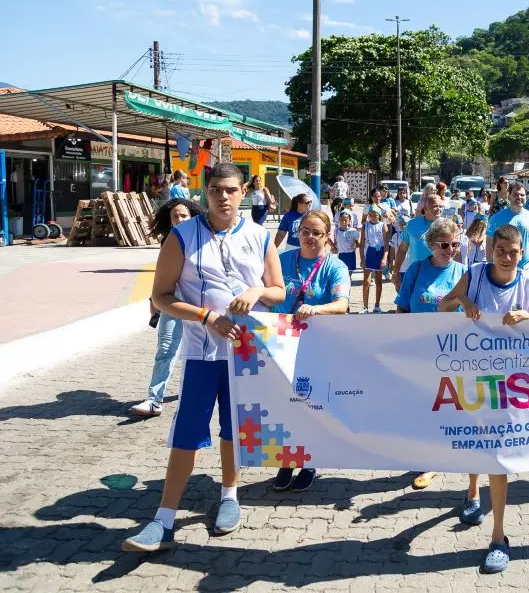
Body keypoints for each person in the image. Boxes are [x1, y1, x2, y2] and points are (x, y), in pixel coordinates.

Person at [122, 163, 285, 552]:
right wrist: (206, 316)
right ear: (204, 192)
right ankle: (163, 520)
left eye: (230, 190)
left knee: (234, 429)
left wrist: (256, 291)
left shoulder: (260, 237)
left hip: (248, 354)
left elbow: (279, 290)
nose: (223, 197)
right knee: (186, 433)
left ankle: (229, 495)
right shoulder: (181, 236)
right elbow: (160, 296)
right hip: (201, 354)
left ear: (243, 192)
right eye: (215, 190)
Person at [438, 225, 529, 574]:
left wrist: (528, 316)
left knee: (496, 457)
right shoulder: (475, 275)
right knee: (474, 443)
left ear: (522, 252)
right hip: (471, 376)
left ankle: (499, 538)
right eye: (500, 250)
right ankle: (471, 493)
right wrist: (465, 301)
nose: (506, 257)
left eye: (513, 252)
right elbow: (443, 307)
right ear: (491, 249)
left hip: (510, 384)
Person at [271, 210, 350, 492]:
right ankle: (286, 459)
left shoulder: (334, 267)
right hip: (280, 343)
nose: (310, 237)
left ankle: (310, 461)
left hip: (317, 346)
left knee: (310, 404)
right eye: (305, 231)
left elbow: (341, 305)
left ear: (327, 236)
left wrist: (316, 309)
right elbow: (267, 292)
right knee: (283, 404)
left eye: (317, 232)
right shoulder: (281, 261)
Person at [395, 217, 468, 492]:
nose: (451, 250)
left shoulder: (464, 271)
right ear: (431, 245)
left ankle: (437, 456)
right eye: (445, 245)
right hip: (418, 347)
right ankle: (424, 450)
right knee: (420, 401)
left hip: (450, 349)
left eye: (455, 244)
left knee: (444, 401)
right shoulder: (415, 270)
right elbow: (403, 306)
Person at [130, 198, 206, 418]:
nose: (179, 219)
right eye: (175, 216)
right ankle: (154, 399)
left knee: (202, 351)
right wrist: (153, 300)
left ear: (193, 217)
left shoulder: (203, 239)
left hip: (200, 304)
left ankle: (207, 392)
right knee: (165, 350)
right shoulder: (168, 241)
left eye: (184, 215)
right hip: (173, 302)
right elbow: (162, 276)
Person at [486, 182, 529, 274]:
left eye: (522, 195)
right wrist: (490, 265)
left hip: (526, 271)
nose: (519, 197)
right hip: (502, 270)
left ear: (526, 197)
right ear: (509, 196)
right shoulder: (496, 218)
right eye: (515, 194)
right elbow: (489, 244)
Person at [394, 194, 444, 289]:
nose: (439, 209)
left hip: (439, 274)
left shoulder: (447, 225)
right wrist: (396, 272)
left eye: (441, 206)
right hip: (416, 274)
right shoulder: (412, 224)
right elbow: (402, 250)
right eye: (435, 206)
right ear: (425, 208)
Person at [360, 206, 389, 314]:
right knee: (366, 281)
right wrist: (362, 258)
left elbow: (386, 245)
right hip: (369, 253)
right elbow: (362, 244)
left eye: (375, 214)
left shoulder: (383, 226)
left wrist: (384, 259)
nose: (372, 216)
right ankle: (365, 306)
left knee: (378, 281)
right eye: (370, 214)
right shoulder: (365, 226)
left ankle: (377, 305)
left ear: (379, 215)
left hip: (379, 253)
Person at [334, 210, 360, 278]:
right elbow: (335, 243)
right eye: (342, 220)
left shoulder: (353, 231)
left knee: (348, 276)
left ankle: (348, 287)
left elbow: (358, 244)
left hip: (350, 255)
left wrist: (355, 244)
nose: (343, 222)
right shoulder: (336, 231)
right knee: (342, 275)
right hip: (341, 255)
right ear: (339, 220)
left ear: (349, 221)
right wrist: (333, 248)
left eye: (346, 220)